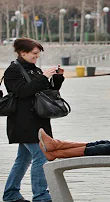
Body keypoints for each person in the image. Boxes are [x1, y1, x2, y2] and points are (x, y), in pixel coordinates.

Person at [2, 38, 64, 202]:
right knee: (41, 157)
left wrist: (57, 79)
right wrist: (43, 77)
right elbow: (23, 92)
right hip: (24, 122)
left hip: (38, 121)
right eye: (34, 54)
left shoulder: (33, 70)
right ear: (23, 53)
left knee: (23, 159)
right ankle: (41, 196)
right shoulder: (13, 71)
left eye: (38, 54)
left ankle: (10, 194)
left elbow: (45, 92)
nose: (37, 57)